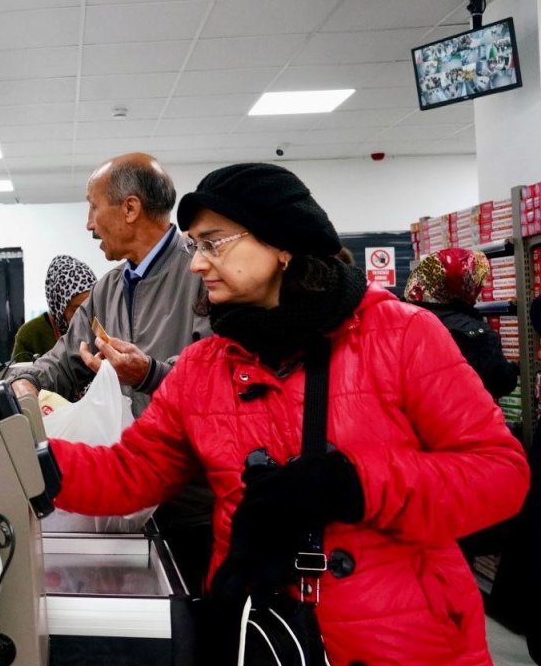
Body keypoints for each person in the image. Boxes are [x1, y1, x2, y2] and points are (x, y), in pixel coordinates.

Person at [49, 162, 529, 665]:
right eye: (195, 246)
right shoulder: (202, 368)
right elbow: (131, 472)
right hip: (263, 636)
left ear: (281, 245)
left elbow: (500, 473)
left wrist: (354, 484)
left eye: (213, 243)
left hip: (406, 639)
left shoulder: (402, 336)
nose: (196, 264)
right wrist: (30, 463)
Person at [9, 152, 212, 593]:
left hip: (192, 507)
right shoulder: (108, 288)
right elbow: (61, 361)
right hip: (127, 496)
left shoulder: (200, 273)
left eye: (92, 205)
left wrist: (149, 373)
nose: (87, 223)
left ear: (130, 208)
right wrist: (21, 382)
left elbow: (211, 371)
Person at [404, 248, 518, 399]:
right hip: (464, 417)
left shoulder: (402, 320)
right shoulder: (476, 333)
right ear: (462, 286)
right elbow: (500, 383)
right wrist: (514, 369)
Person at [11, 254, 96, 362]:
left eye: (90, 306)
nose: (85, 314)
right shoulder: (30, 336)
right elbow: (19, 376)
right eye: (76, 310)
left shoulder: (100, 328)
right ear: (59, 307)